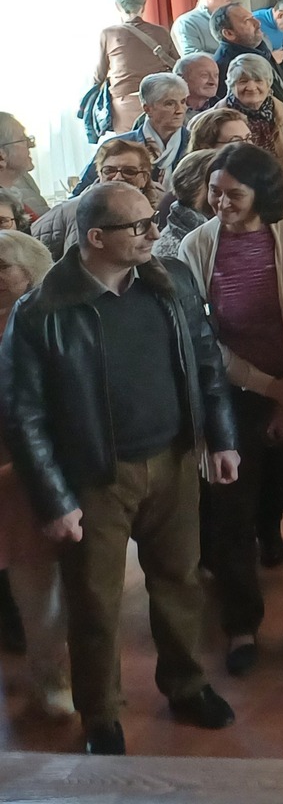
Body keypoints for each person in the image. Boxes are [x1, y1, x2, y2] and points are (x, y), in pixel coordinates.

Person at [0, 180, 241, 754]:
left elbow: (206, 359)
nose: (155, 232)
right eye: (139, 226)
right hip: (95, 477)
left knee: (179, 583)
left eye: (151, 219)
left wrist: (221, 438)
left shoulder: (170, 280)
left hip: (174, 459)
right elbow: (24, 416)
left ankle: (186, 684)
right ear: (95, 237)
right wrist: (56, 500)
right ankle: (101, 713)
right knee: (95, 603)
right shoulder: (42, 311)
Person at [178, 144, 283, 673]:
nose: (221, 203)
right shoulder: (197, 245)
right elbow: (201, 336)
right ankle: (241, 625)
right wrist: (271, 388)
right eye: (215, 192)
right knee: (233, 514)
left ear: (262, 193)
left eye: (235, 194)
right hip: (233, 396)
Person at [0, 229, 68, 719]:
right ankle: (49, 679)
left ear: (31, 271)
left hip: (45, 473)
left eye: (1, 267)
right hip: (8, 478)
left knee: (56, 591)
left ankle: (60, 679)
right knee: (32, 592)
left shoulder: (53, 323)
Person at [95, 0, 180, 132]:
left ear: (117, 6)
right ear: (144, 5)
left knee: (129, 144)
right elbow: (178, 66)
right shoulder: (161, 32)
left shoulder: (109, 34)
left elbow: (99, 75)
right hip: (159, 98)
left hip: (125, 102)